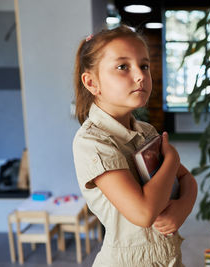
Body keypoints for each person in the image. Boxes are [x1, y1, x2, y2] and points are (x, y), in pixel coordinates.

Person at [72, 25, 197, 267]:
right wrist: (171, 159)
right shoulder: (92, 142)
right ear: (91, 83)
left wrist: (181, 209)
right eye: (122, 67)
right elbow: (143, 213)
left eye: (145, 66)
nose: (140, 75)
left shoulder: (146, 131)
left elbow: (188, 180)